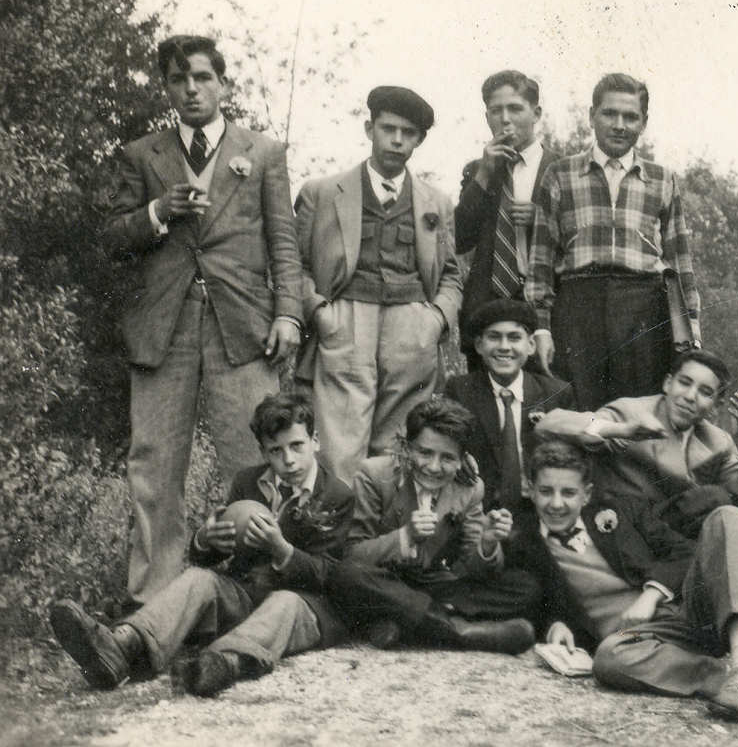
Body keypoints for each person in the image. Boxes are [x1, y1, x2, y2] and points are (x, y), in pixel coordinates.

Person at [103, 35, 303, 605]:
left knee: (258, 456)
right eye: (178, 79)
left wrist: (289, 313)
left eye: (202, 77)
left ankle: (258, 591)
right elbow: (112, 237)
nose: (191, 89)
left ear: (223, 83)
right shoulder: (141, 155)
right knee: (155, 464)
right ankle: (153, 601)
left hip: (242, 327)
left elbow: (283, 242)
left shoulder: (263, 152)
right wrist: (156, 212)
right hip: (161, 330)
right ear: (167, 88)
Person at [50, 393, 354, 697]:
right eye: (276, 450)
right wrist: (206, 540)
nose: (288, 460)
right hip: (247, 596)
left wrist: (282, 550)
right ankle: (124, 644)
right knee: (199, 579)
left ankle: (222, 663)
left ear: (315, 441)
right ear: (263, 452)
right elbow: (209, 556)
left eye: (297, 445)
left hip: (303, 606)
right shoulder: (248, 482)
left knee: (285, 602)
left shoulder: (337, 495)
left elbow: (329, 575)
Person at [509, 440, 738, 720]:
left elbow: (683, 552)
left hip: (689, 614)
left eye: (568, 492)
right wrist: (555, 624)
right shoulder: (526, 544)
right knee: (608, 660)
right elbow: (530, 595)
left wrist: (651, 594)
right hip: (634, 644)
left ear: (586, 494)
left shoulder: (620, 512)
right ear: (530, 491)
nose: (556, 503)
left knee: (728, 517)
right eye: (546, 491)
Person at [294, 86, 462, 484]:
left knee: (400, 445)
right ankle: (338, 522)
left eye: (408, 133)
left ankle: (389, 523)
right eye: (388, 129)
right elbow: (294, 265)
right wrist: (319, 312)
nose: (397, 140)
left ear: (419, 140)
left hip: (412, 329)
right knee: (339, 444)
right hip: (346, 322)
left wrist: (436, 320)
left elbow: (451, 273)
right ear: (370, 129)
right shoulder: (322, 192)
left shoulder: (437, 202)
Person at [526, 72, 700, 411]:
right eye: (610, 114)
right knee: (579, 413)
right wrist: (542, 329)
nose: (619, 125)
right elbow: (540, 263)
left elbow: (680, 263)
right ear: (592, 116)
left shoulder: (662, 179)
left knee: (638, 414)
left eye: (630, 116)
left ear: (644, 122)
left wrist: (691, 332)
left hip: (643, 312)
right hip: (578, 310)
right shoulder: (560, 174)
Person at [326, 398, 540, 654]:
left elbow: (469, 568)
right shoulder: (375, 475)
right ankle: (457, 632)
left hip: (433, 587)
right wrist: (406, 537)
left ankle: (404, 620)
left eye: (447, 458)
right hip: (384, 581)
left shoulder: (469, 487)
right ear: (407, 448)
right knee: (347, 575)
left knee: (525, 587)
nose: (434, 467)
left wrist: (487, 542)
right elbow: (353, 554)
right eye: (425, 453)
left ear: (462, 459)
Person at [536, 348, 738, 538]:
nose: (690, 397)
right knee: (715, 498)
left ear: (716, 405)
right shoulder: (631, 411)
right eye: (684, 383)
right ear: (667, 384)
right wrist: (620, 430)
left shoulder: (717, 441)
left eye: (705, 392)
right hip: (621, 527)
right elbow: (548, 424)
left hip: (672, 532)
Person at [454, 70, 559, 370]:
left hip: (545, 306)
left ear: (536, 113)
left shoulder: (562, 168)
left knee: (547, 391)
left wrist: (542, 220)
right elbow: (459, 239)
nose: (505, 119)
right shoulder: (478, 169)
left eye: (515, 108)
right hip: (487, 308)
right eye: (496, 111)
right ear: (486, 116)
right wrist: (484, 173)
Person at [444, 298, 573, 513]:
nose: (504, 347)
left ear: (531, 345)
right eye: (494, 337)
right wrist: (457, 455)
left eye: (514, 338)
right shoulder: (460, 391)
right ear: (479, 345)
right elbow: (446, 443)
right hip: (481, 512)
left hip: (541, 512)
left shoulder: (556, 394)